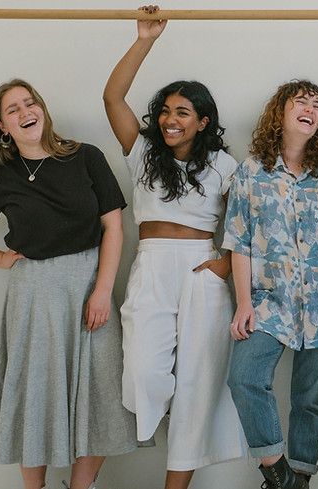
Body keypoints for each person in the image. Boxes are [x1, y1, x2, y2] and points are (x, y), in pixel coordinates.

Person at [0, 79, 137, 489]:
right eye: (13, 109)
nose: (25, 112)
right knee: (37, 394)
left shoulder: (85, 157)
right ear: (2, 126)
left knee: (101, 390)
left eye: (30, 103)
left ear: (43, 110)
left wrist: (102, 290)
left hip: (89, 282)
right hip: (34, 293)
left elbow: (113, 227)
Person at [102, 6, 246, 489]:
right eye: (165, 110)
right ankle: (153, 428)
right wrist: (145, 40)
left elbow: (250, 224)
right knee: (144, 372)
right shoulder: (142, 153)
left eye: (182, 112)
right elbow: (112, 96)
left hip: (202, 271)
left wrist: (225, 262)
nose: (169, 119)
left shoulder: (225, 165)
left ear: (203, 122)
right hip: (153, 265)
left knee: (197, 384)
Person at [224, 80, 318, 489]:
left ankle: (299, 480)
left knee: (310, 401)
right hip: (268, 300)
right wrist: (243, 303)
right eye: (300, 102)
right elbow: (239, 240)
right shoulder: (252, 170)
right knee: (245, 378)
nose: (309, 109)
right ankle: (277, 473)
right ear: (279, 113)